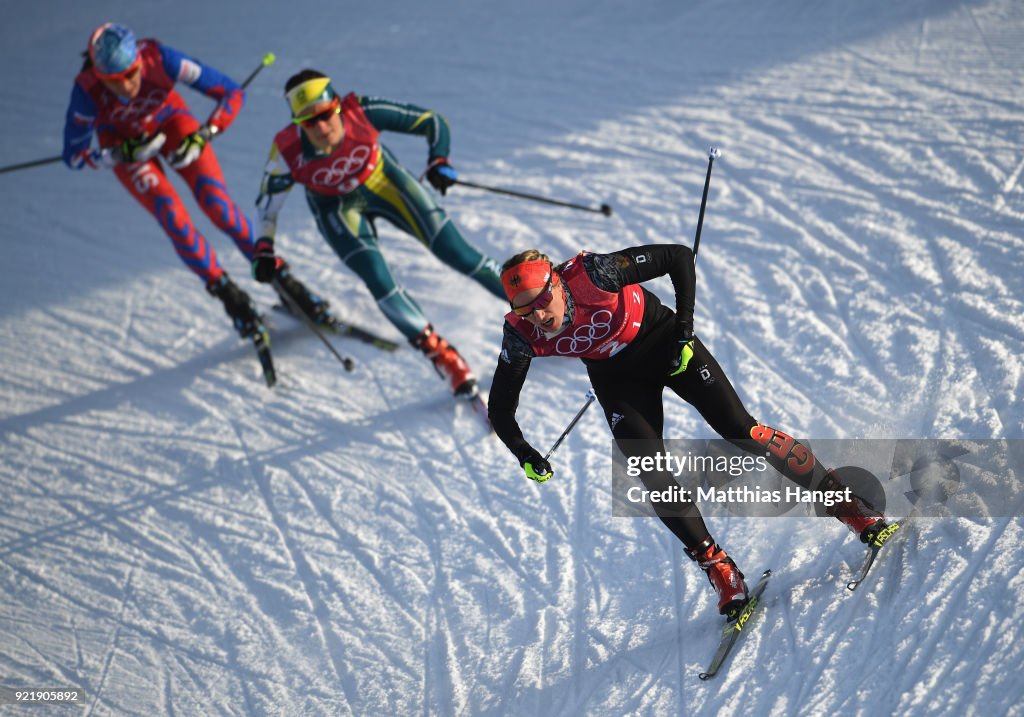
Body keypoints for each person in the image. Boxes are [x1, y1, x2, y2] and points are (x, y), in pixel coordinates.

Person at [488, 245, 892, 620]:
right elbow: (500, 408)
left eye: (543, 302)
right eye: (526, 311)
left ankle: (849, 506)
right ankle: (719, 568)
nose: (540, 316)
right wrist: (524, 451)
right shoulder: (521, 336)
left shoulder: (595, 274)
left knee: (741, 430)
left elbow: (678, 258)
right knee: (651, 473)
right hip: (619, 380)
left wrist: (683, 327)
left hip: (665, 342)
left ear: (556, 282)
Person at [62, 23, 332, 340]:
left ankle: (285, 282)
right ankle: (230, 297)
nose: (126, 85)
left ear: (138, 60)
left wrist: (205, 135)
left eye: (131, 73)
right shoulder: (87, 90)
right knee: (171, 216)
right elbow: (74, 156)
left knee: (217, 205)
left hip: (172, 124)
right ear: (99, 75)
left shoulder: (161, 59)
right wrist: (119, 154)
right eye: (114, 80)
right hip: (127, 147)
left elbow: (231, 92)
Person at [253, 69, 506, 397]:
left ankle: (538, 307)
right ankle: (441, 355)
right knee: (378, 279)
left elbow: (433, 122)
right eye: (307, 122)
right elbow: (266, 206)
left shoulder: (362, 112)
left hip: (385, 182)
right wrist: (263, 248)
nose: (320, 127)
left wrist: (439, 158)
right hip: (337, 209)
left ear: (337, 107)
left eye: (326, 115)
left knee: (458, 254)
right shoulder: (287, 150)